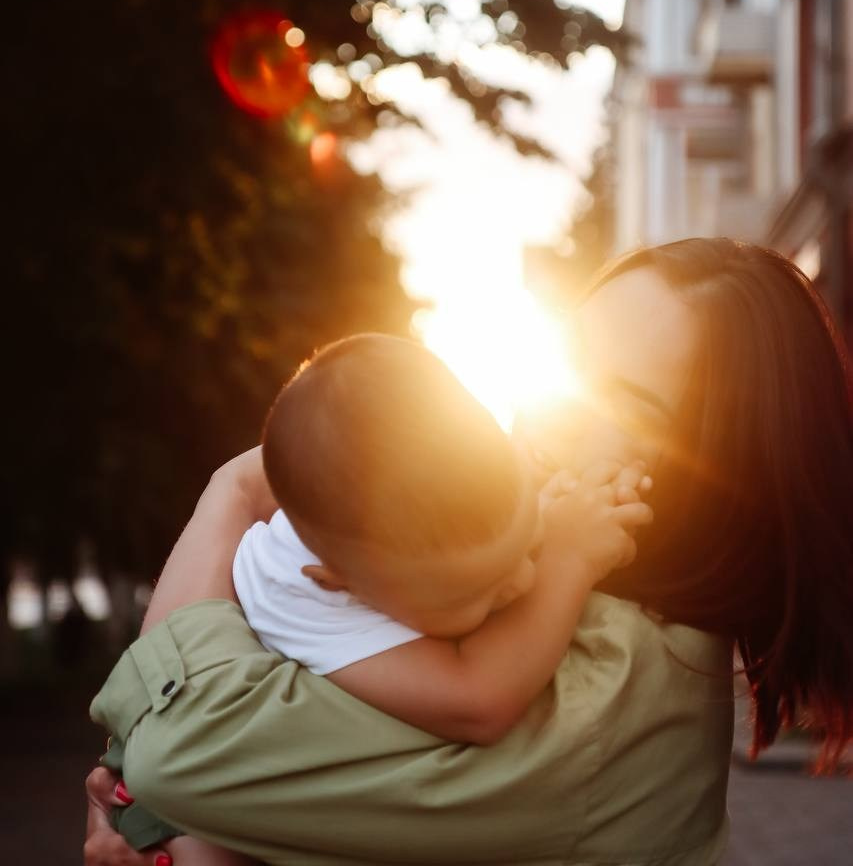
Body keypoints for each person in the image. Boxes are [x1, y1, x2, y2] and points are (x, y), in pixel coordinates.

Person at [84, 239, 853, 866]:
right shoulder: (523, 582)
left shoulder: (597, 685)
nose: (555, 410)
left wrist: (237, 489)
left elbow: (171, 750)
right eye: (569, 361)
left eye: (625, 405)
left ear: (723, 479)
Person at [107, 334, 651, 866]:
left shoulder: (420, 515)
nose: (522, 581)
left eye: (525, 541)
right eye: (472, 594)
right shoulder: (298, 593)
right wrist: (568, 557)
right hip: (208, 804)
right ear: (339, 582)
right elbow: (475, 702)